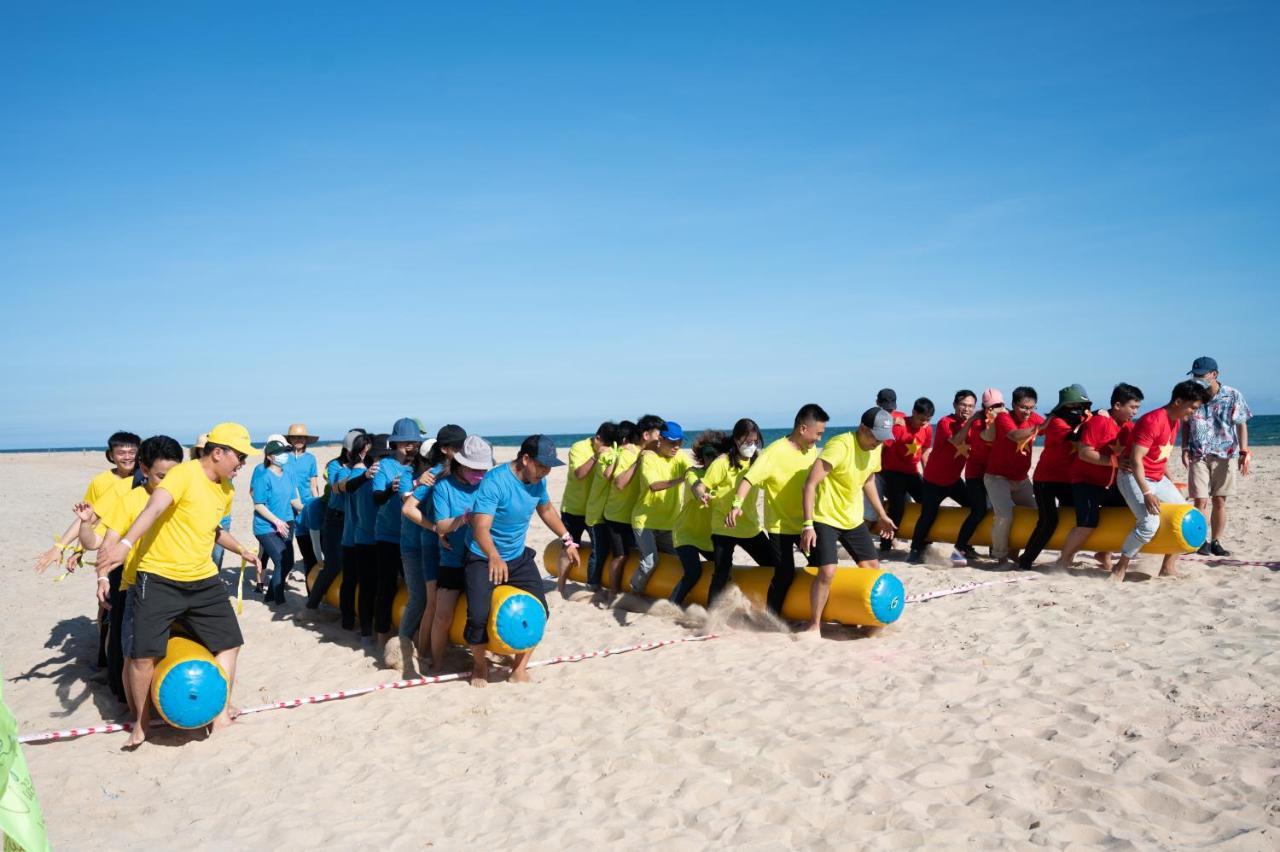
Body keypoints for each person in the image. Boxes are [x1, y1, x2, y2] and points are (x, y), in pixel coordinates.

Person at [96, 422, 261, 749]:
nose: (243, 463)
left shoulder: (226, 489)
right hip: (159, 578)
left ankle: (220, 715)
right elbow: (153, 508)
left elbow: (211, 529)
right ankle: (141, 726)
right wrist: (126, 545)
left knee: (230, 642)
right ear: (218, 452)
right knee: (144, 657)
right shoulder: (184, 474)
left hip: (203, 580)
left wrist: (243, 550)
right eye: (239, 456)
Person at [76, 436, 185, 710]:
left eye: (175, 474)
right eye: (162, 475)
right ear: (145, 470)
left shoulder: (185, 494)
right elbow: (100, 544)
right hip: (134, 583)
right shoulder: (127, 498)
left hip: (177, 582)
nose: (170, 481)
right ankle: (123, 696)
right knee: (126, 649)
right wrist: (86, 527)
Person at [464, 435, 578, 686]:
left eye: (549, 466)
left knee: (541, 610)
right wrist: (493, 556)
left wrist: (567, 540)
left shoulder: (538, 482)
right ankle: (480, 665)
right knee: (478, 616)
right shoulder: (495, 481)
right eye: (542, 465)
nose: (546, 471)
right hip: (484, 556)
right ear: (525, 459)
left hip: (517, 556)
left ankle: (519, 668)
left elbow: (546, 509)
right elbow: (481, 527)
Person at [799, 408, 896, 631]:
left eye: (883, 439)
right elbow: (810, 484)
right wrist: (808, 524)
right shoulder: (840, 446)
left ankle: (859, 616)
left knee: (872, 567)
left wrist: (882, 515)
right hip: (825, 517)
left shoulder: (874, 449)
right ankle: (814, 625)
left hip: (852, 518)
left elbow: (868, 480)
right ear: (863, 429)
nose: (879, 443)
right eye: (876, 437)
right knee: (828, 571)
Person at [730, 404, 828, 615]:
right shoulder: (774, 453)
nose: (819, 439)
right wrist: (737, 505)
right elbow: (748, 479)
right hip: (780, 526)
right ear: (803, 429)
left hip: (806, 524)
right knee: (784, 574)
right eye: (818, 434)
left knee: (821, 565)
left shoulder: (810, 450)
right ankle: (772, 616)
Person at [1112, 380, 1213, 582]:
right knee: (1150, 523)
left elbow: (1159, 454)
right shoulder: (1153, 420)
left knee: (1187, 515)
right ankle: (1119, 567)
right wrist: (1148, 493)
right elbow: (1136, 460)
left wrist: (1170, 480)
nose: (1194, 412)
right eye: (1192, 407)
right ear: (1178, 401)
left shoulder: (1175, 420)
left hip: (1157, 478)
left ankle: (1167, 567)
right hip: (1133, 476)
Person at [1055, 383, 1144, 570]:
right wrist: (1114, 461)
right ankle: (1064, 560)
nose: (1135, 411)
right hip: (1085, 481)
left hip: (1111, 483)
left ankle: (1104, 552)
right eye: (1133, 407)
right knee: (1087, 524)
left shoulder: (1128, 426)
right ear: (1118, 405)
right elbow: (1085, 453)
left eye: (1138, 407)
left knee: (1125, 514)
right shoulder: (1099, 422)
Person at [429, 435, 494, 673]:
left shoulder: (488, 483)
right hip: (453, 558)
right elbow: (441, 526)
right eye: (474, 469)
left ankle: (490, 657)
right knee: (442, 616)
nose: (479, 474)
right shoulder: (443, 487)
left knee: (488, 614)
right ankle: (437, 662)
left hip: (481, 558)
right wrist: (463, 519)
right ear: (460, 464)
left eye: (483, 469)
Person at [34, 430, 140, 574]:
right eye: (121, 453)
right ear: (111, 455)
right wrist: (78, 550)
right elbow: (88, 518)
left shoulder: (147, 479)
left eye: (132, 452)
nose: (127, 457)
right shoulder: (100, 482)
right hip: (110, 546)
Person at [403, 425, 465, 660]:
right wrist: (434, 528)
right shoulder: (434, 474)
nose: (462, 450)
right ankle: (424, 654)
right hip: (431, 545)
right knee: (432, 603)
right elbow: (408, 509)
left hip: (459, 546)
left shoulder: (467, 469)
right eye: (458, 447)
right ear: (446, 449)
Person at [1181, 356, 1253, 556]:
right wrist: (1184, 448)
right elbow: (1185, 423)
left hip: (1225, 454)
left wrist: (1243, 451)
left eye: (1201, 375)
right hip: (1198, 453)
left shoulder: (1232, 395)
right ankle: (1201, 541)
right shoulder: (1191, 394)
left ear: (1214, 374)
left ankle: (1216, 541)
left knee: (1219, 499)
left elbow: (1241, 424)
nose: (1197, 378)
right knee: (1200, 499)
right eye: (1195, 375)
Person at [699, 419, 776, 605]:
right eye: (747, 442)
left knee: (773, 565)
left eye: (755, 442)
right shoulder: (722, 462)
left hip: (750, 527)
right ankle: (711, 615)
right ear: (736, 439)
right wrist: (702, 495)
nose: (751, 446)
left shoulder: (758, 462)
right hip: (723, 527)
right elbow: (702, 485)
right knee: (722, 572)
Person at [1018, 385, 1089, 570]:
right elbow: (1077, 437)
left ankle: (1065, 557)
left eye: (1080, 404)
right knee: (1048, 521)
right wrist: (1094, 420)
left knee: (1074, 517)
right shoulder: (1056, 422)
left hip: (1069, 480)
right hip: (1046, 480)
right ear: (1063, 406)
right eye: (1073, 404)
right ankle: (1026, 559)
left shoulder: (1081, 419)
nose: (1077, 408)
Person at [910, 390, 978, 564]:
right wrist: (971, 421)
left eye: (971, 406)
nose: (966, 409)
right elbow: (956, 440)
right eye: (963, 404)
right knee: (928, 515)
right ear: (955, 405)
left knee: (973, 507)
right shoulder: (945, 422)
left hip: (954, 480)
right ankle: (915, 549)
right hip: (934, 481)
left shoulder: (973, 425)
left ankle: (965, 545)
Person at [372, 419, 420, 655]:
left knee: (413, 588)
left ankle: (413, 635)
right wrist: (392, 487)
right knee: (387, 586)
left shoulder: (416, 467)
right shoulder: (384, 466)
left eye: (414, 441)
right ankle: (381, 637)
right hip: (388, 535)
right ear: (396, 442)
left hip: (411, 536)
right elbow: (376, 499)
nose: (410, 446)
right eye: (406, 442)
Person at [303, 428, 364, 612]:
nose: (364, 454)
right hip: (335, 521)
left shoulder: (365, 465)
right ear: (349, 450)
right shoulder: (335, 466)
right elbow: (340, 485)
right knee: (333, 566)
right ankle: (311, 606)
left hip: (356, 520)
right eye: (360, 450)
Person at [984, 386, 1045, 566]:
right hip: (997, 477)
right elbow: (1015, 435)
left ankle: (1014, 552)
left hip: (1021, 479)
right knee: (1004, 516)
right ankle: (1000, 556)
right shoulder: (1004, 417)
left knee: (1036, 515)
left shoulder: (1034, 418)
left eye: (1031, 407)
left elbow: (1055, 428)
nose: (1028, 412)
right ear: (1013, 405)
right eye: (1023, 407)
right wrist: (1041, 426)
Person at [629, 421, 691, 594]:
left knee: (677, 561)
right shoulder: (648, 457)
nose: (676, 446)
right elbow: (654, 486)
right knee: (650, 562)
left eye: (679, 442)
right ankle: (634, 591)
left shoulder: (679, 456)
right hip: (645, 521)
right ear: (660, 440)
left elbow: (692, 471)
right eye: (672, 442)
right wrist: (681, 479)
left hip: (669, 523)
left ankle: (671, 593)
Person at [604, 416, 664, 594]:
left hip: (636, 516)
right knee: (621, 556)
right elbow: (620, 484)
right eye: (659, 435)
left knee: (637, 555)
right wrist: (639, 461)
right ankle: (613, 593)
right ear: (646, 435)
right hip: (617, 516)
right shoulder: (627, 454)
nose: (662, 439)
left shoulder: (652, 455)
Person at [668, 430, 725, 606]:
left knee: (724, 570)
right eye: (707, 455)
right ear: (701, 457)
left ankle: (717, 605)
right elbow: (696, 487)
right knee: (693, 572)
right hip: (686, 534)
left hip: (708, 537)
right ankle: (672, 605)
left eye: (715, 455)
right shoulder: (693, 472)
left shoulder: (724, 477)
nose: (711, 459)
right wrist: (702, 495)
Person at [333, 433, 378, 636]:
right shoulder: (362, 475)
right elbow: (340, 488)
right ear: (362, 452)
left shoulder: (353, 473)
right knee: (359, 582)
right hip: (359, 536)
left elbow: (338, 488)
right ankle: (356, 623)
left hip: (351, 535)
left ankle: (348, 621)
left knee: (351, 580)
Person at [951, 389, 1003, 565]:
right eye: (990, 406)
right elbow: (957, 441)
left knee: (997, 511)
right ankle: (959, 549)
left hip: (995, 474)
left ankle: (993, 550)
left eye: (998, 405)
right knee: (979, 510)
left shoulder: (1004, 420)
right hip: (975, 474)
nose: (994, 409)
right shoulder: (976, 422)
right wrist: (972, 420)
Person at [250, 435, 302, 605]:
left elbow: (294, 500)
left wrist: (306, 508)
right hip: (266, 527)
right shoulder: (262, 476)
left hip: (287, 522)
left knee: (288, 562)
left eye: (286, 452)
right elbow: (259, 504)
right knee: (280, 559)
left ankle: (270, 594)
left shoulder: (288, 474)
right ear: (270, 456)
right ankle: (279, 599)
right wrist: (276, 521)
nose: (284, 455)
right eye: (280, 453)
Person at [879, 397, 934, 556]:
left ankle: (924, 539)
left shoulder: (927, 429)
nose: (924, 423)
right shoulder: (900, 425)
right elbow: (882, 448)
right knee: (897, 507)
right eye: (921, 419)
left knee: (928, 501)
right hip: (892, 472)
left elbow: (924, 452)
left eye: (928, 420)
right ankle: (885, 544)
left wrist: (928, 476)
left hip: (911, 472)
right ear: (913, 412)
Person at [557, 423, 608, 593]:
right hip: (573, 509)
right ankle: (561, 585)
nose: (607, 448)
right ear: (598, 438)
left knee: (600, 549)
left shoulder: (611, 451)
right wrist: (595, 456)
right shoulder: (578, 447)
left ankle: (593, 586)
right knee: (569, 548)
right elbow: (579, 474)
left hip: (595, 511)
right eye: (604, 444)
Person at [581, 422, 622, 590]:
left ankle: (602, 582)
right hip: (597, 514)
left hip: (609, 512)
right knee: (599, 551)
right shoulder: (607, 455)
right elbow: (608, 475)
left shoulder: (611, 453)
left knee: (607, 550)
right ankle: (592, 584)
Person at [284, 423, 322, 573]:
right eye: (295, 437)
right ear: (290, 439)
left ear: (306, 439)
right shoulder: (284, 457)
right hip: (286, 504)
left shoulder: (311, 459)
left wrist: (316, 504)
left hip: (305, 505)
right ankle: (285, 572)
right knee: (286, 540)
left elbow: (314, 484)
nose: (298, 440)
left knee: (308, 541)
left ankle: (312, 570)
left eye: (301, 437)